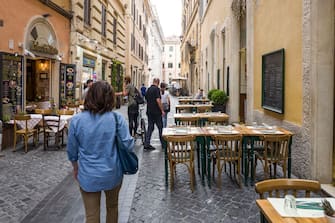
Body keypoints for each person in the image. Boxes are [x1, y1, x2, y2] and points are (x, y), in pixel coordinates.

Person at [67, 81, 134, 223]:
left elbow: (72, 150)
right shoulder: (117, 119)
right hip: (112, 173)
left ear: (90, 96)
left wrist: (75, 167)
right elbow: (128, 145)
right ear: (110, 98)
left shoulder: (76, 121)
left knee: (91, 215)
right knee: (112, 207)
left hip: (88, 174)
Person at [144, 78, 165, 150]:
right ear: (158, 83)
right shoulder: (156, 90)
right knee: (160, 127)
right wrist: (162, 110)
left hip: (149, 111)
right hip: (156, 112)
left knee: (150, 127)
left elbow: (146, 99)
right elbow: (158, 100)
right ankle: (163, 143)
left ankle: (147, 143)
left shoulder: (148, 89)